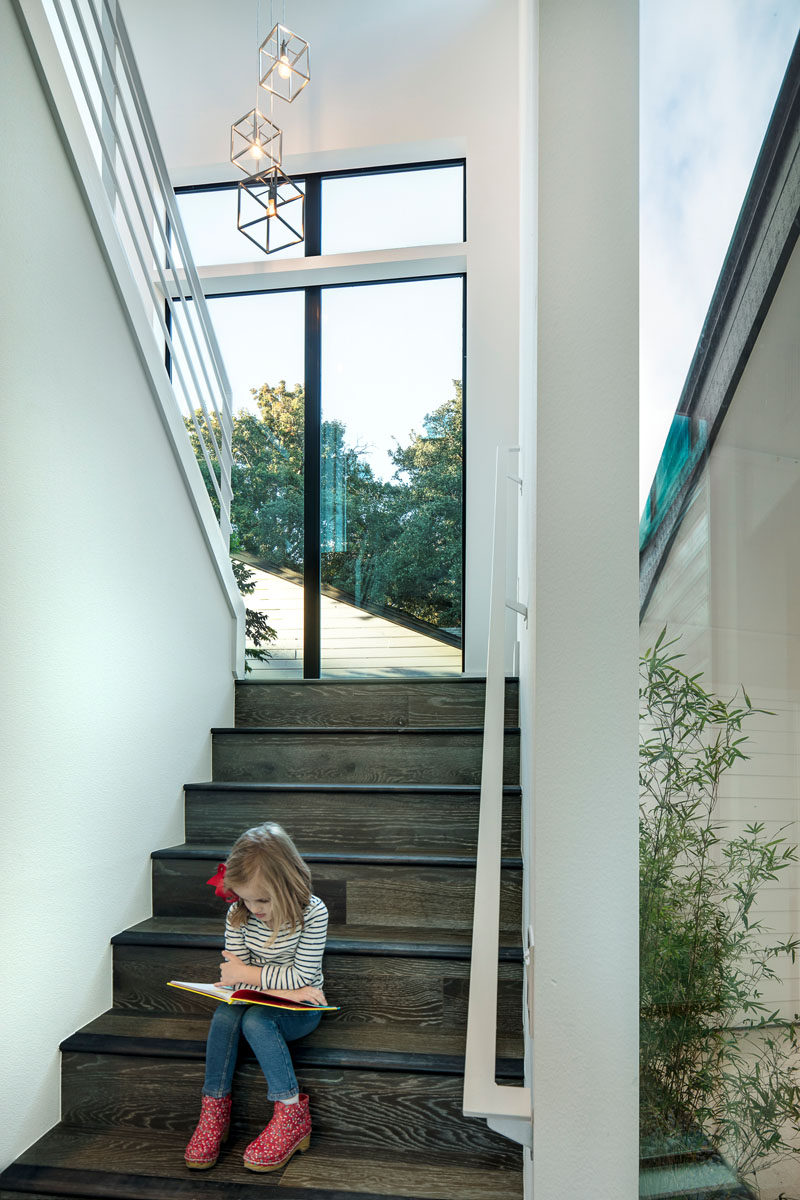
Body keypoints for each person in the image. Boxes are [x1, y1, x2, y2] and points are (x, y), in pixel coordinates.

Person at [183, 821, 329, 1172]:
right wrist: (257, 982)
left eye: (263, 899)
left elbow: (301, 977)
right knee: (224, 1015)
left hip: (301, 1009)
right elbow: (235, 978)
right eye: (246, 898)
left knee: (258, 1020)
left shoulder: (312, 913)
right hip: (264, 997)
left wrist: (251, 977)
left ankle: (292, 1111)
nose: (255, 907)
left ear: (288, 884)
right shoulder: (239, 913)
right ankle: (214, 1110)